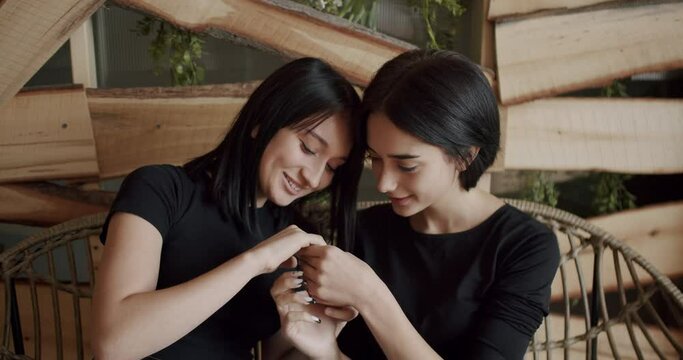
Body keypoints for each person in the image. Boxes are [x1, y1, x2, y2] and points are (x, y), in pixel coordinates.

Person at [271, 49, 561, 359]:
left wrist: (371, 295)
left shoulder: (525, 247)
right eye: (375, 159)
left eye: (406, 166)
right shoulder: (366, 229)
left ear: (466, 155)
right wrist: (319, 346)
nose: (384, 183)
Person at [91, 57, 366, 359]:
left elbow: (278, 354)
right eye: (308, 148)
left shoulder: (297, 238)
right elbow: (113, 344)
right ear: (261, 121)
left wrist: (315, 338)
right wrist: (254, 262)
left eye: (332, 167)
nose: (313, 178)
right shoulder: (161, 190)